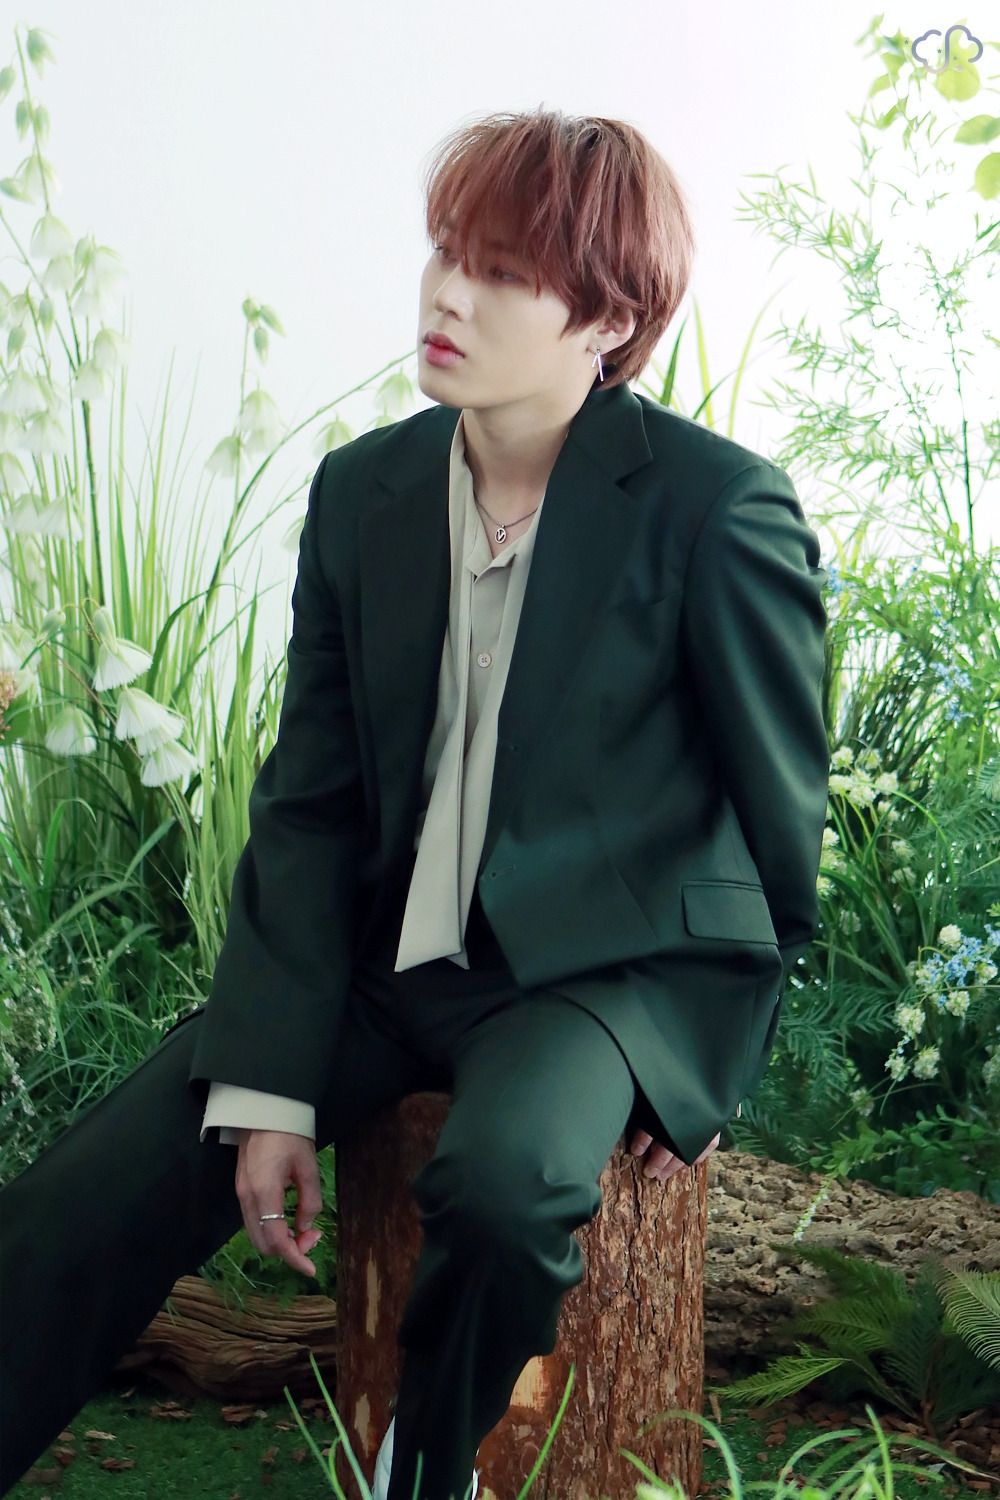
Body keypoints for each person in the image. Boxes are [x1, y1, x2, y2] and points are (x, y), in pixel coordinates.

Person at [0, 106, 830, 1500]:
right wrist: (269, 1078)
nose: (448, 295)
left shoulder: (715, 507)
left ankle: (425, 1471)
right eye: (447, 252)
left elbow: (780, 814)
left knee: (506, 1192)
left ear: (607, 320)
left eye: (502, 273)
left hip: (589, 979)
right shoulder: (363, 493)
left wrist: (693, 1056)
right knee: (90, 1193)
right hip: (387, 965)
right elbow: (312, 798)